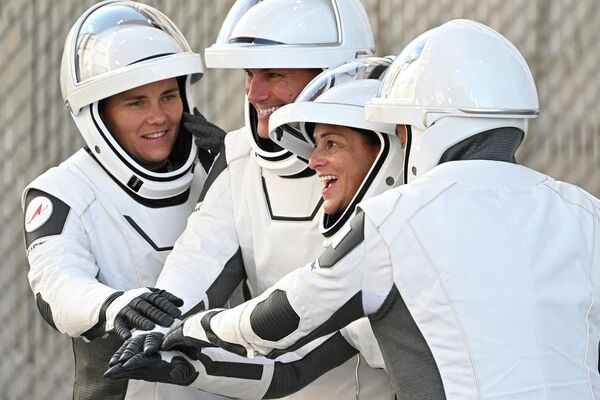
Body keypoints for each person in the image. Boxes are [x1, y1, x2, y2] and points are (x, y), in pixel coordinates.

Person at [132, 19, 600, 399]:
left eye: (400, 130)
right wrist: (185, 372)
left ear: (423, 126)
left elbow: (280, 319)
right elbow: (289, 373)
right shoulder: (585, 212)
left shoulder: (396, 220)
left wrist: (189, 327)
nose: (314, 161)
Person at [107, 1, 396, 398]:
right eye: (249, 74)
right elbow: (200, 257)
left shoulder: (389, 154)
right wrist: (158, 324)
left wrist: (198, 329)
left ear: (332, 73)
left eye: (274, 74)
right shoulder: (240, 156)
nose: (254, 92)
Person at [22, 1, 226, 399]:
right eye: (137, 102)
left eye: (169, 96)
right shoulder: (62, 190)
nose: (159, 117)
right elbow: (57, 288)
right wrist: (115, 306)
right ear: (98, 114)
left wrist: (243, 177)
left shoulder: (217, 170)